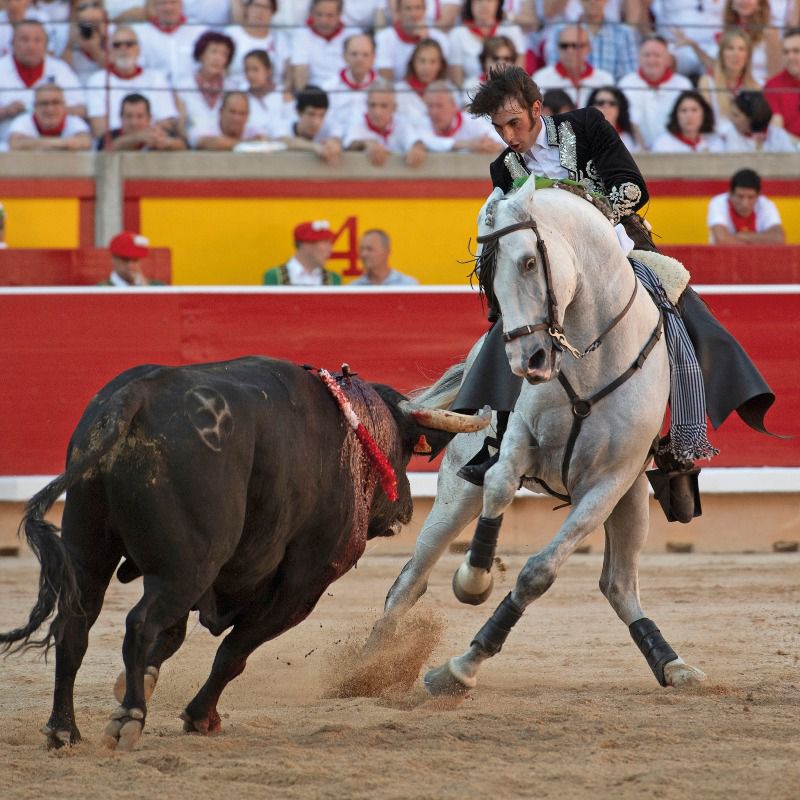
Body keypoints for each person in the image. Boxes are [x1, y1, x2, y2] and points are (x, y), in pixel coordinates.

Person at [454, 66, 775, 524]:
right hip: (550, 277)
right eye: (499, 127)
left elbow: (631, 187)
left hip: (618, 255)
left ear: (536, 110)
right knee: (509, 325)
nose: (509, 136)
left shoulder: (586, 126)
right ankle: (498, 438)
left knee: (683, 313)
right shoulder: (502, 168)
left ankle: (676, 444)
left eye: (515, 123)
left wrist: (584, 216)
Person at [85, 25, 179, 138]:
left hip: (153, 146)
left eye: (129, 44)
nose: (123, 49)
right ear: (109, 51)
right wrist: (138, 137)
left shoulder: (156, 78)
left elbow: (168, 121)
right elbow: (99, 129)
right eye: (117, 45)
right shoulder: (97, 81)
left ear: (138, 49)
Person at [0, 20, 86, 141]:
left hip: (58, 145)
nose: (31, 46)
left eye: (37, 40)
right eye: (24, 40)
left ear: (46, 45)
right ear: (12, 43)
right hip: (5, 147)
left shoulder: (60, 69)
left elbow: (81, 109)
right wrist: (5, 111)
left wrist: (53, 109)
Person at [618, 35, 693, 150]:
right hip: (635, 152)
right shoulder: (625, 84)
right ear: (639, 58)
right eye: (646, 55)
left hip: (674, 152)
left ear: (668, 60)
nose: (651, 60)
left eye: (657, 55)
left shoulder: (683, 85)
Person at [544, 0, 638, 82]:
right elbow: (554, 72)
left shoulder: (623, 33)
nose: (592, 2)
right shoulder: (560, 31)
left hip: (609, 99)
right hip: (569, 95)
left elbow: (629, 74)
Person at [343, 79, 426, 166]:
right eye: (372, 105)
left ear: (394, 108)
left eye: (384, 106)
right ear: (366, 105)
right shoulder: (357, 121)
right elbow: (349, 145)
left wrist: (417, 149)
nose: (377, 112)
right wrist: (367, 144)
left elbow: (416, 142)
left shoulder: (401, 123)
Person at [175, 31, 238, 146]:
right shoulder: (182, 86)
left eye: (224, 55)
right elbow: (180, 126)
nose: (218, 58)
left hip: (226, 144)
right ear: (201, 54)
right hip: (194, 145)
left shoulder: (232, 88)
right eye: (214, 52)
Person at [446, 0, 525, 90]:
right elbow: (457, 81)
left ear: (498, 3)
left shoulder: (512, 30)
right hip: (471, 92)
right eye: (478, 1)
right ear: (470, 4)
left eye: (489, 1)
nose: (484, 5)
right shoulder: (457, 34)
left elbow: (519, 73)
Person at [532, 24, 614, 108]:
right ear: (557, 48)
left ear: (589, 48)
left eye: (576, 46)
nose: (570, 50)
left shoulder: (605, 80)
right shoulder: (541, 78)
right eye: (564, 46)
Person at [420, 79, 503, 153]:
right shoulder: (422, 122)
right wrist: (466, 144)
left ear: (454, 106)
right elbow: (426, 142)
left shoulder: (472, 121)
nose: (434, 112)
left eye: (439, 106)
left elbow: (499, 139)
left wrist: (492, 145)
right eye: (430, 106)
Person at [375, 0, 449, 82]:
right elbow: (386, 79)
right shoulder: (385, 37)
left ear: (424, 11)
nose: (414, 14)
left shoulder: (440, 37)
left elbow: (443, 75)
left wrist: (425, 41)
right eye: (408, 9)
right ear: (398, 12)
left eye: (418, 8)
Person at [697, 28, 760, 125]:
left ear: (748, 56)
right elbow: (704, 121)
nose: (736, 54)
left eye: (741, 49)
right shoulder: (707, 82)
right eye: (730, 48)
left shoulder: (755, 87)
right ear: (721, 54)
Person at [707, 168, 786, 245]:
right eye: (740, 197)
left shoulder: (766, 204)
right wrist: (760, 240)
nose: (745, 204)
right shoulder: (718, 203)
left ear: (758, 195)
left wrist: (742, 236)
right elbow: (722, 240)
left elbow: (779, 238)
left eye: (751, 197)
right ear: (730, 193)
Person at [224, 0, 290, 88]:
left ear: (272, 13)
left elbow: (288, 73)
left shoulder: (280, 39)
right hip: (235, 92)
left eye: (266, 8)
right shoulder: (232, 34)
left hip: (272, 94)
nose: (260, 11)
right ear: (247, 9)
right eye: (256, 6)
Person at [7, 83, 92, 150]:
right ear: (34, 107)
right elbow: (15, 143)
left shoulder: (74, 121)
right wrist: (64, 144)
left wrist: (35, 144)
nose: (50, 109)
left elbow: (86, 142)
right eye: (44, 103)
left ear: (64, 106)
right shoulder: (23, 121)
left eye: (55, 103)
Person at [290, 0, 351, 92]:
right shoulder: (301, 34)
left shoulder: (352, 34)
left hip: (345, 92)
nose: (323, 20)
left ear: (339, 15)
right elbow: (300, 71)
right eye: (319, 14)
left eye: (329, 15)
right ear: (311, 13)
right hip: (314, 95)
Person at [324, 33, 379, 131]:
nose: (359, 59)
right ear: (344, 56)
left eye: (365, 55)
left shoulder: (382, 89)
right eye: (354, 54)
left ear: (373, 58)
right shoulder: (329, 87)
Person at [275, 85, 342, 165]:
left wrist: (334, 145)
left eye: (321, 115)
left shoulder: (330, 125)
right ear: (298, 112)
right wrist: (316, 147)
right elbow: (284, 141)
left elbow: (336, 139)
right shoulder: (283, 123)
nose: (316, 122)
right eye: (311, 114)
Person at [135, 0, 198, 83]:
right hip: (156, 90)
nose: (168, 8)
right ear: (155, 7)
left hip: (191, 93)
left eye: (173, 3)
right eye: (163, 3)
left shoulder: (198, 31)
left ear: (181, 6)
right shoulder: (140, 33)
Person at [263, 220, 342, 285]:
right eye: (325, 242)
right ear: (306, 245)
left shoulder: (333, 279)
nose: (330, 249)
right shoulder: (275, 276)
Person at [99, 92, 187, 150]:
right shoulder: (109, 136)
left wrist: (166, 143)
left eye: (140, 116)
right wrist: (137, 138)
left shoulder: (158, 134)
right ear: (120, 117)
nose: (134, 122)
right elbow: (105, 151)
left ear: (149, 118)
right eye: (129, 116)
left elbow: (183, 146)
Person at [723, 0, 782, 85]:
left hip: (760, 91)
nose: (745, 1)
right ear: (731, 3)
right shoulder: (726, 31)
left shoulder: (770, 33)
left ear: (759, 4)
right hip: (730, 89)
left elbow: (775, 75)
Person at [719, 90, 797, 152]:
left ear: (752, 118)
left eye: (736, 115)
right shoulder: (727, 133)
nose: (730, 118)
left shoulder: (778, 136)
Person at [651, 90, 725, 153]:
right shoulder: (663, 144)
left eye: (694, 110)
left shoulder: (715, 143)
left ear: (704, 114)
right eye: (684, 110)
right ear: (676, 115)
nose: (689, 115)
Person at [395, 37, 448, 121]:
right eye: (422, 61)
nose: (427, 67)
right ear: (413, 62)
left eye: (433, 61)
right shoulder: (399, 91)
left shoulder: (449, 92)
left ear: (440, 65)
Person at [764, 27, 800, 140]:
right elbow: (777, 133)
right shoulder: (773, 86)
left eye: (796, 51)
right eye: (786, 52)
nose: (790, 57)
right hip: (789, 152)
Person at [351, 229, 419, 285]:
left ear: (387, 252)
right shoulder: (353, 288)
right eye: (361, 249)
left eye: (369, 249)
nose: (363, 254)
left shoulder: (408, 285)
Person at [99, 231, 165, 286]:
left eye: (135, 260)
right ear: (114, 260)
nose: (130, 265)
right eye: (125, 259)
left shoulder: (158, 287)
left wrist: (145, 289)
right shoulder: (100, 290)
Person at [586, 85, 639, 151]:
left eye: (612, 103)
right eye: (600, 103)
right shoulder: (581, 134)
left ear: (620, 108)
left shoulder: (632, 135)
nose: (606, 107)